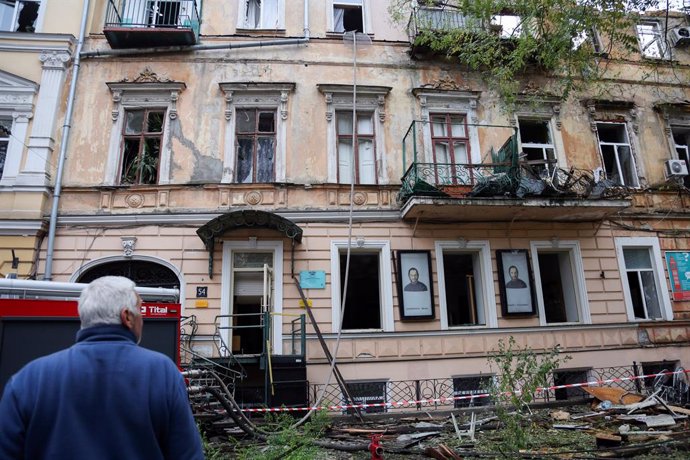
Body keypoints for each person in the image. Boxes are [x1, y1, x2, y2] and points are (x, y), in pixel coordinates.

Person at [0, 276, 204, 460]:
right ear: (127, 317)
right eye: (140, 310)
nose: (143, 318)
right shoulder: (163, 373)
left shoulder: (27, 379)